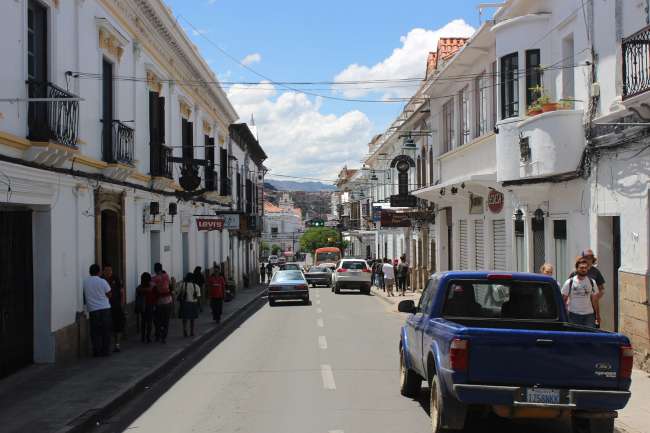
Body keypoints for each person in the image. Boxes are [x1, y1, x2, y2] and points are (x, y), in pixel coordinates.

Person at [83, 264, 112, 357]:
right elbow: (109, 294)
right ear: (99, 272)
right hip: (104, 308)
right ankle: (105, 350)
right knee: (105, 331)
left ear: (90, 272)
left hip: (93, 309)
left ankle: (96, 351)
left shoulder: (85, 282)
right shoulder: (102, 281)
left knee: (95, 331)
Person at [570, 249, 605, 324]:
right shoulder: (575, 272)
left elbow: (601, 289)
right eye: (586, 257)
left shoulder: (596, 272)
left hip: (591, 309)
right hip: (575, 310)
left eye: (590, 258)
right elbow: (569, 289)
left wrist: (594, 298)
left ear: (593, 259)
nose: (588, 260)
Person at [561, 257, 598, 327]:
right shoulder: (569, 282)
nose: (583, 269)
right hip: (573, 315)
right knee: (574, 336)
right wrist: (564, 314)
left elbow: (595, 300)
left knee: (590, 337)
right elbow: (563, 300)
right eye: (581, 268)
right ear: (577, 268)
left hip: (589, 316)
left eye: (585, 268)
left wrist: (597, 315)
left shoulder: (592, 282)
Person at [102, 264, 125, 353]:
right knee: (107, 326)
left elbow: (122, 291)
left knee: (117, 326)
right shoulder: (101, 280)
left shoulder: (116, 278)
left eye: (110, 270)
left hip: (116, 306)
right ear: (103, 271)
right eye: (106, 270)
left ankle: (117, 344)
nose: (108, 272)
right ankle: (107, 345)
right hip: (105, 307)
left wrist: (122, 303)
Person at [152, 262, 172, 343]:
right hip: (168, 301)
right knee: (166, 320)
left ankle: (158, 334)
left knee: (157, 320)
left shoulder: (154, 278)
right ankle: (164, 336)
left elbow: (151, 288)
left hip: (159, 302)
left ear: (155, 269)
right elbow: (171, 285)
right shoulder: (166, 276)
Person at [136, 272, 155, 343]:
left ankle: (143, 337)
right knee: (149, 322)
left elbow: (137, 292)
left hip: (142, 306)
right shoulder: (152, 287)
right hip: (150, 305)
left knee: (143, 322)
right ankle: (148, 336)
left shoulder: (140, 288)